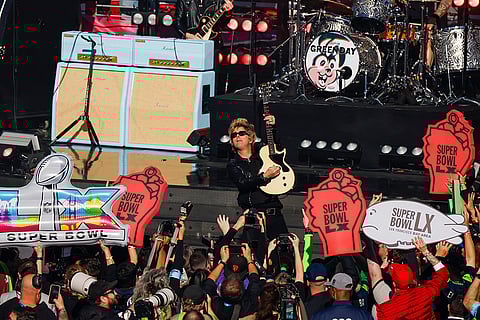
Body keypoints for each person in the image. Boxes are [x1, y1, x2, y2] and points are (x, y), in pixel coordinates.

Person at [226, 117, 289, 240]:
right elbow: (243, 184)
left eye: (242, 133)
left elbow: (278, 148)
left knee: (282, 253)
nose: (237, 137)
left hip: (272, 211)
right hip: (252, 215)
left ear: (250, 138)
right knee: (252, 254)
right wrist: (264, 177)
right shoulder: (233, 164)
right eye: (234, 135)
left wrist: (273, 128)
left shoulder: (262, 153)